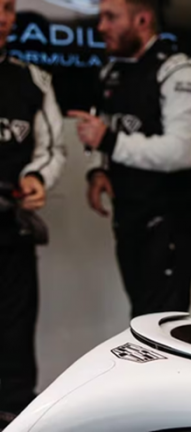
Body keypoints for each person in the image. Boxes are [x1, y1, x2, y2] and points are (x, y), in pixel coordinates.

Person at [68, 0, 191, 318]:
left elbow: (183, 152)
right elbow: (109, 129)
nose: (101, 27)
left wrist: (109, 141)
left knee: (161, 324)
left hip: (170, 223)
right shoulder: (112, 72)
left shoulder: (181, 75)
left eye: (111, 18)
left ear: (142, 20)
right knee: (140, 315)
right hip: (129, 218)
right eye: (100, 17)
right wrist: (98, 170)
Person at [0, 0, 66, 426]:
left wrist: (36, 178)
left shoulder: (32, 79)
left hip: (11, 234)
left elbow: (52, 149)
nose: (3, 17)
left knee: (15, 347)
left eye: (8, 7)